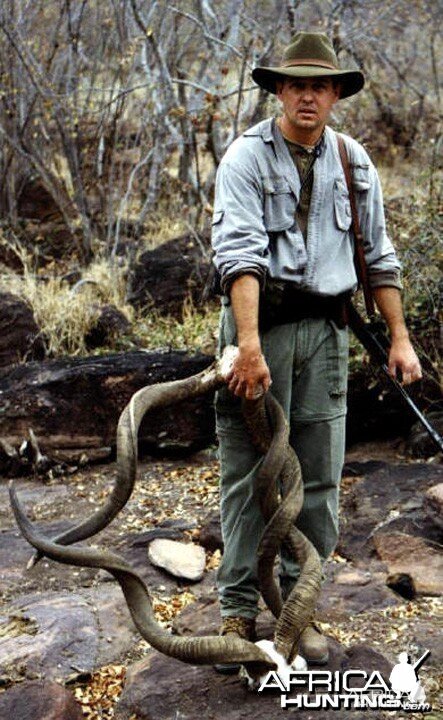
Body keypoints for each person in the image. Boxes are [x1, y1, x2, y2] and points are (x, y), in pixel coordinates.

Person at [211, 31, 422, 670]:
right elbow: (239, 257)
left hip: (327, 337)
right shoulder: (245, 158)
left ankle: (299, 609)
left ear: (335, 95)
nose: (308, 96)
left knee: (320, 474)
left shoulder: (354, 163)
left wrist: (401, 338)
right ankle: (237, 613)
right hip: (260, 331)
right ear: (278, 90)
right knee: (251, 475)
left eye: (320, 86)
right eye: (296, 84)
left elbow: (380, 259)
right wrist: (247, 347)